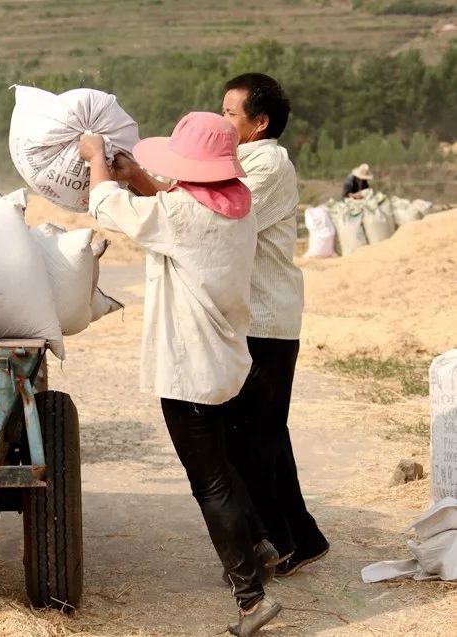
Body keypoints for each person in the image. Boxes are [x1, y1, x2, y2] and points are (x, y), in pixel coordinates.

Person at [79, 112, 281, 637]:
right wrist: (137, 177)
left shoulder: (182, 214)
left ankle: (250, 599)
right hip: (225, 360)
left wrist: (97, 161)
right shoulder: (239, 206)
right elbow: (173, 205)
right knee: (220, 461)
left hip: (189, 368)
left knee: (208, 481)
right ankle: (258, 541)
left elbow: (108, 206)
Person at [221, 73, 329, 577]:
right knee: (264, 432)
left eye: (230, 114)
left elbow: (224, 216)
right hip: (257, 317)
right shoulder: (241, 160)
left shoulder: (266, 162)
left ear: (259, 124)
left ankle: (277, 541)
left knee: (250, 437)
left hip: (266, 319)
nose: (222, 121)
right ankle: (303, 537)